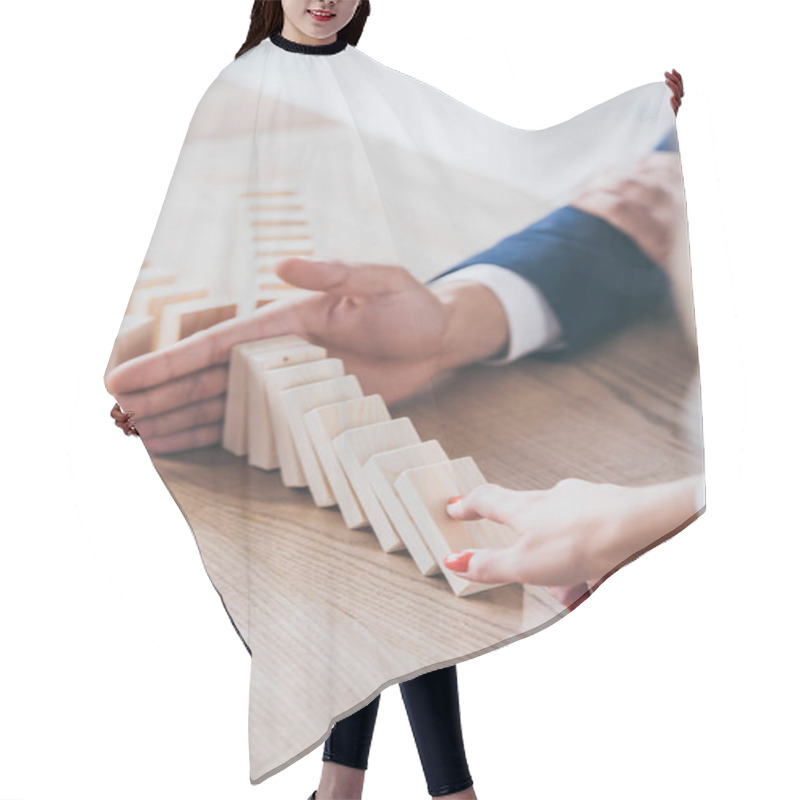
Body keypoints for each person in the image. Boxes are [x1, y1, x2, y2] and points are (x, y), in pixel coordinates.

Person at [107, 4, 687, 798]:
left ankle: (354, 787)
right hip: (259, 364)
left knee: (417, 558)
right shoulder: (235, 88)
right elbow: (192, 234)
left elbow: (493, 156)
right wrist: (144, 362)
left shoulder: (373, 85)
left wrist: (632, 125)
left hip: (373, 349)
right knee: (382, 576)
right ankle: (427, 789)